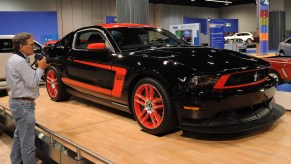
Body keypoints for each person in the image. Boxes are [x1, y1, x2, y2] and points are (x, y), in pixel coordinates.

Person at [5, 32, 49, 164]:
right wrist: (40, 68)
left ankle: (16, 161)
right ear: (21, 47)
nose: (33, 47)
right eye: (31, 45)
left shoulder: (13, 59)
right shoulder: (19, 62)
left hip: (18, 103)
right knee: (28, 145)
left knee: (19, 137)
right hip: (24, 106)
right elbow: (33, 82)